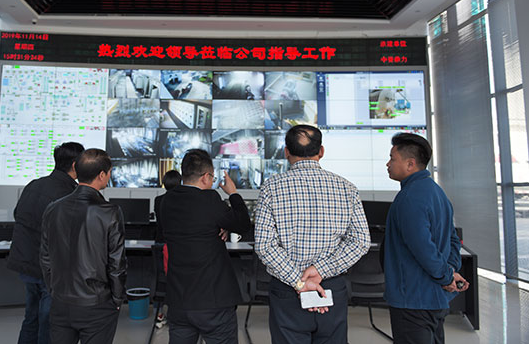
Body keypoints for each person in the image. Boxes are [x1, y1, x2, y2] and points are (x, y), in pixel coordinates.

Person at [254, 125, 370, 344]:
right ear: (321, 151)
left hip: (287, 290)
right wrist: (320, 270)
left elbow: (264, 246)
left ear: (286, 152)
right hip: (330, 287)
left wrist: (299, 282)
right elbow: (361, 242)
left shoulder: (271, 188)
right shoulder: (347, 188)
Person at [384, 133, 469, 344]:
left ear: (410, 164)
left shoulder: (409, 198)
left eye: (392, 159)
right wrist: (450, 271)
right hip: (435, 299)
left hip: (413, 301)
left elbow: (423, 248)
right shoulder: (437, 192)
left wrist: (447, 277)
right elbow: (453, 240)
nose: (388, 164)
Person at [160, 149, 251, 344]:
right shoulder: (210, 199)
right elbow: (243, 223)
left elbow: (194, 226)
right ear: (205, 177)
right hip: (213, 300)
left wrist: (221, 225)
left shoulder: (166, 201)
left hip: (179, 300)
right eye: (212, 178)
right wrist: (233, 193)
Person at [40, 148, 126, 344]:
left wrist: (54, 290)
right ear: (102, 175)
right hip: (97, 304)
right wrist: (117, 299)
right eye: (109, 172)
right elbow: (117, 263)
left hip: (60, 301)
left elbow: (45, 257)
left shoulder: (53, 208)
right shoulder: (110, 212)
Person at [7, 142, 84, 344]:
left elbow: (18, 214)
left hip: (27, 263)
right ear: (75, 165)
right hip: (50, 270)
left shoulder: (34, 184)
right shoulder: (69, 193)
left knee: (31, 317)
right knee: (49, 321)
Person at [153, 169, 182, 328]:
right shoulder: (182, 201)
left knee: (162, 281)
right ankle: (177, 314)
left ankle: (159, 313)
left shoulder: (158, 200)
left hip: (160, 244)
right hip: (176, 246)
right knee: (178, 280)